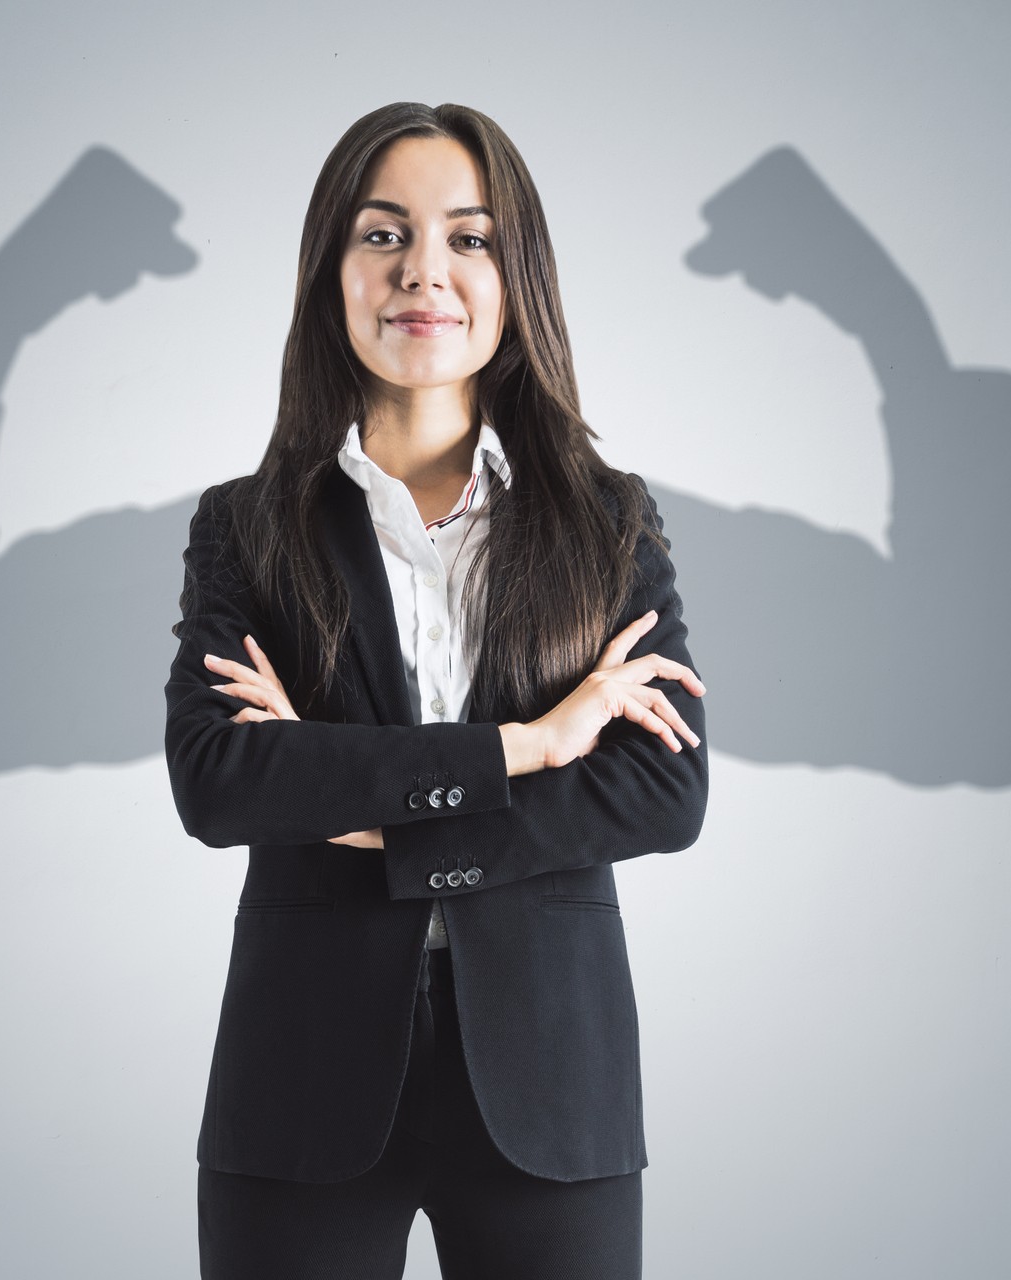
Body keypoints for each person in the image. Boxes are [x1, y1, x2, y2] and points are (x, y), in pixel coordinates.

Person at [163, 101, 709, 1280]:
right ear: (332, 271)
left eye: (469, 237)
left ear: (517, 277)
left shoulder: (608, 520)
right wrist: (532, 743)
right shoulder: (248, 527)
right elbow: (219, 781)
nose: (425, 271)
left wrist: (357, 800)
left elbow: (662, 791)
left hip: (552, 1086)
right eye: (382, 234)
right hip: (300, 1081)